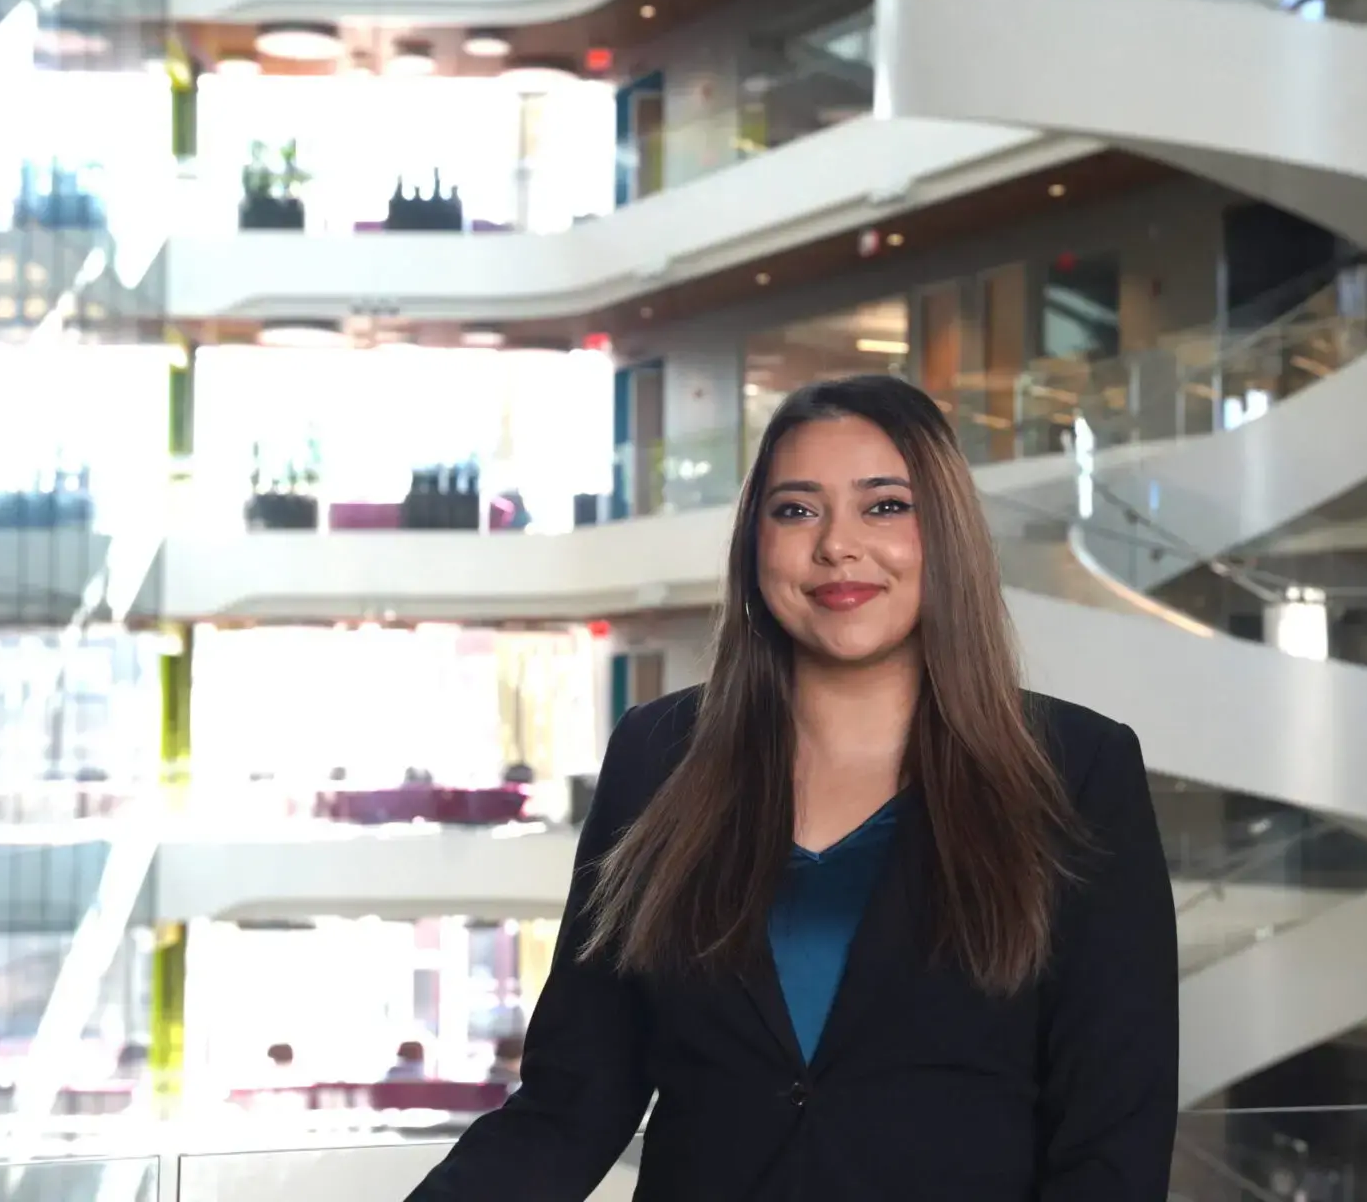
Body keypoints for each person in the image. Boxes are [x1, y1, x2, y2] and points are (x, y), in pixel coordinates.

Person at [405, 374, 1178, 1201]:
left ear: (946, 535)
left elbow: (1111, 1144)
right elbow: (572, 1101)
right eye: (797, 510)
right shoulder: (659, 757)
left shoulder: (1077, 768)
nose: (837, 546)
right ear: (755, 545)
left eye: (884, 506)